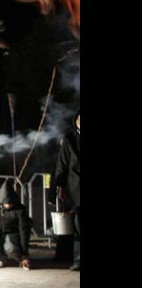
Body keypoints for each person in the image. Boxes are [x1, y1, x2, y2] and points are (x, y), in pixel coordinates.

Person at [0, 181, 34, 269]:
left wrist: (24, 254)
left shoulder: (20, 210)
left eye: (10, 203)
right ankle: (0, 259)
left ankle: (19, 258)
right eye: (6, 203)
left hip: (13, 234)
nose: (8, 205)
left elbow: (24, 231)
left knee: (10, 248)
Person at [54, 110, 80, 271]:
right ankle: (78, 259)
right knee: (78, 225)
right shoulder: (70, 139)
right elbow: (62, 164)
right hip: (76, 187)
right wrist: (60, 185)